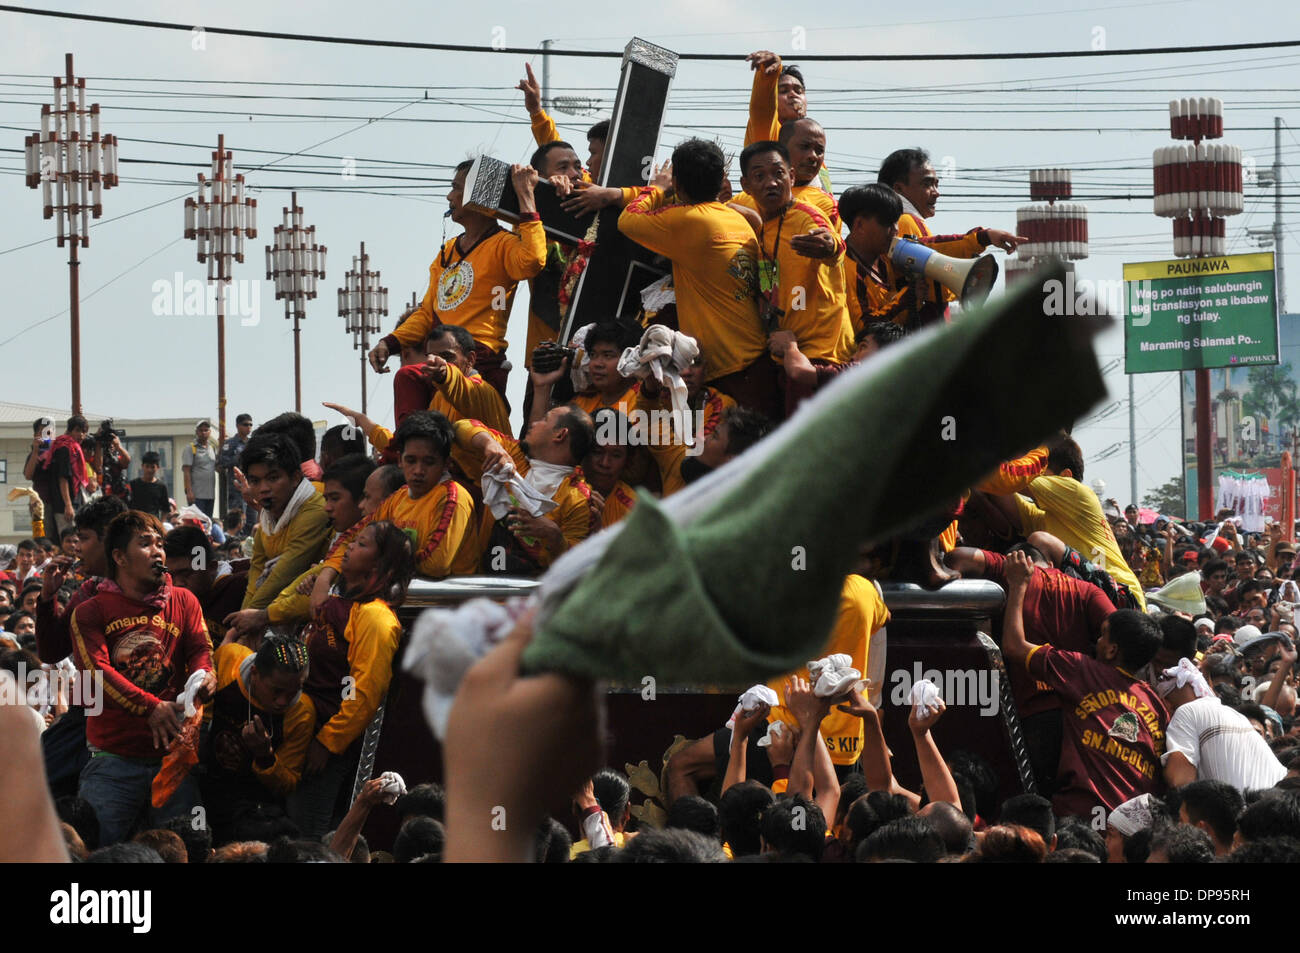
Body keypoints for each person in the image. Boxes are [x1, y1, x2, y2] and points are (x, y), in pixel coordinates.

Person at [69, 510, 216, 845]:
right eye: (146, 543)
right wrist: (151, 707)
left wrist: (205, 676)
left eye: (159, 543)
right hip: (113, 762)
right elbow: (96, 672)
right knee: (100, 851)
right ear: (119, 557)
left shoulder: (184, 600)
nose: (158, 552)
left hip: (174, 761)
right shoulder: (90, 611)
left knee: (188, 850)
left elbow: (200, 649)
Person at [1001, 550, 1167, 820]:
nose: (1095, 641)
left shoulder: (1081, 669)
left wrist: (1018, 584)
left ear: (1112, 650)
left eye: (1101, 635)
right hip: (1136, 825)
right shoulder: (1157, 706)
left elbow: (1013, 646)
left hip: (1081, 818)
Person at [618, 139, 775, 419]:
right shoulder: (741, 219)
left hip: (731, 370)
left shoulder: (686, 219)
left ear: (677, 185)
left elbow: (627, 220)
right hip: (757, 360)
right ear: (721, 180)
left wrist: (657, 187)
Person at [368, 160, 547, 401]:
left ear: (478, 192)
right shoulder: (448, 251)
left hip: (478, 358)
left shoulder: (503, 244)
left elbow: (533, 261)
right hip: (441, 358)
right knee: (407, 380)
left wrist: (526, 197)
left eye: (456, 188)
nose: (449, 196)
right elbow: (426, 314)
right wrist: (388, 344)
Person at [945, 541, 1114, 793]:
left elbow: (959, 556)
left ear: (1019, 559)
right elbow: (1119, 630)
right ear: (1053, 564)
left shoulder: (1013, 570)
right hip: (1080, 712)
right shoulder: (1088, 590)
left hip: (1033, 713)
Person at [290, 520, 414, 838]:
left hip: (328, 742)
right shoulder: (344, 605)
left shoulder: (376, 618)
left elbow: (364, 694)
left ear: (380, 562)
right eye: (353, 541)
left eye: (362, 544)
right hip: (303, 729)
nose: (350, 548)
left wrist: (327, 744)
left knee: (311, 832)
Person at [309, 413, 476, 599]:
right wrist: (325, 576)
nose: (418, 471)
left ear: (446, 464)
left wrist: (370, 562)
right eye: (411, 461)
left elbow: (436, 564)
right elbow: (351, 538)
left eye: (429, 462)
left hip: (447, 610)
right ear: (399, 460)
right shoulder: (399, 497)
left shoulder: (453, 497)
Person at [738, 140, 854, 387]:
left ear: (791, 176)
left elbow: (831, 242)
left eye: (779, 173)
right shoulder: (761, 230)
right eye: (760, 176)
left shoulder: (806, 216)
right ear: (746, 185)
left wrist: (829, 245)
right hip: (787, 354)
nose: (771, 183)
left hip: (823, 355)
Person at [986, 434, 1146, 609]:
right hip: (1095, 600)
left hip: (1122, 595)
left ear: (1066, 476)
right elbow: (994, 489)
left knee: (1039, 541)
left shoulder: (1078, 492)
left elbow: (1005, 477)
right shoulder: (1041, 517)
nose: (1028, 472)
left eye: (1036, 470)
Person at [876, 147, 1024, 329]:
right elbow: (931, 250)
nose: (936, 192)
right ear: (899, 188)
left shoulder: (907, 221)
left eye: (936, 184)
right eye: (927, 184)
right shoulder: (904, 221)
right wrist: (982, 237)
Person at [200, 632, 314, 843]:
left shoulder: (301, 712)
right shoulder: (229, 661)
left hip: (251, 806)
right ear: (254, 672)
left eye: (295, 690)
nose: (283, 701)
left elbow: (288, 784)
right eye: (277, 690)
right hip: (205, 781)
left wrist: (265, 756)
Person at [451, 408, 595, 574]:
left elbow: (579, 567)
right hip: (483, 585)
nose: (534, 423)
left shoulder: (579, 499)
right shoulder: (513, 456)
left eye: (544, 419)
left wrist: (555, 538)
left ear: (560, 435)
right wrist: (489, 444)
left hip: (532, 597)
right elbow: (461, 427)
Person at [1157, 657, 1286, 790]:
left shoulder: (1188, 710)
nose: (1165, 705)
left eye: (1165, 698)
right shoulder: (1234, 714)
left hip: (1252, 805)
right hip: (1278, 798)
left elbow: (1179, 780)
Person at [239, 432, 331, 611]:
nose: (263, 489)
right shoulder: (267, 519)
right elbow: (254, 580)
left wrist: (245, 623)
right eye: (255, 481)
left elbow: (283, 574)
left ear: (296, 478)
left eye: (273, 478)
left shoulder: (314, 510)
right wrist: (241, 620)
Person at [163, 525, 247, 646]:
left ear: (212, 568)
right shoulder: (164, 596)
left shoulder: (241, 586)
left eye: (186, 573)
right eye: (171, 576)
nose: (177, 583)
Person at [36, 416, 91, 541]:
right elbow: (63, 478)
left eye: (84, 431)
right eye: (77, 430)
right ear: (70, 431)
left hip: (66, 502)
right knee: (67, 539)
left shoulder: (70, 447)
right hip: (56, 504)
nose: (81, 435)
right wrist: (68, 505)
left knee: (72, 538)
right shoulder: (64, 448)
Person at [219, 413, 254, 522]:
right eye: (245, 424)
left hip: (251, 486)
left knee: (252, 519)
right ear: (238, 426)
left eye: (250, 425)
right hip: (236, 489)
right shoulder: (230, 443)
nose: (249, 427)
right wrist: (238, 458)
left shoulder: (252, 444)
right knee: (238, 519)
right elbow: (222, 462)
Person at [181, 420, 219, 518]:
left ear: (210, 432)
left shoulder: (212, 448)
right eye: (201, 430)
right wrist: (189, 491)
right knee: (198, 523)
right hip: (197, 495)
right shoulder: (190, 448)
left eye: (206, 430)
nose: (203, 432)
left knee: (207, 523)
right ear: (196, 432)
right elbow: (186, 471)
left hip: (210, 494)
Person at [129, 451, 170, 521]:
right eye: (147, 466)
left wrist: (161, 524)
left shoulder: (161, 486)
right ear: (142, 466)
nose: (149, 470)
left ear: (157, 467)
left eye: (152, 467)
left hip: (153, 523)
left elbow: (165, 509)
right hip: (136, 522)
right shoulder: (133, 484)